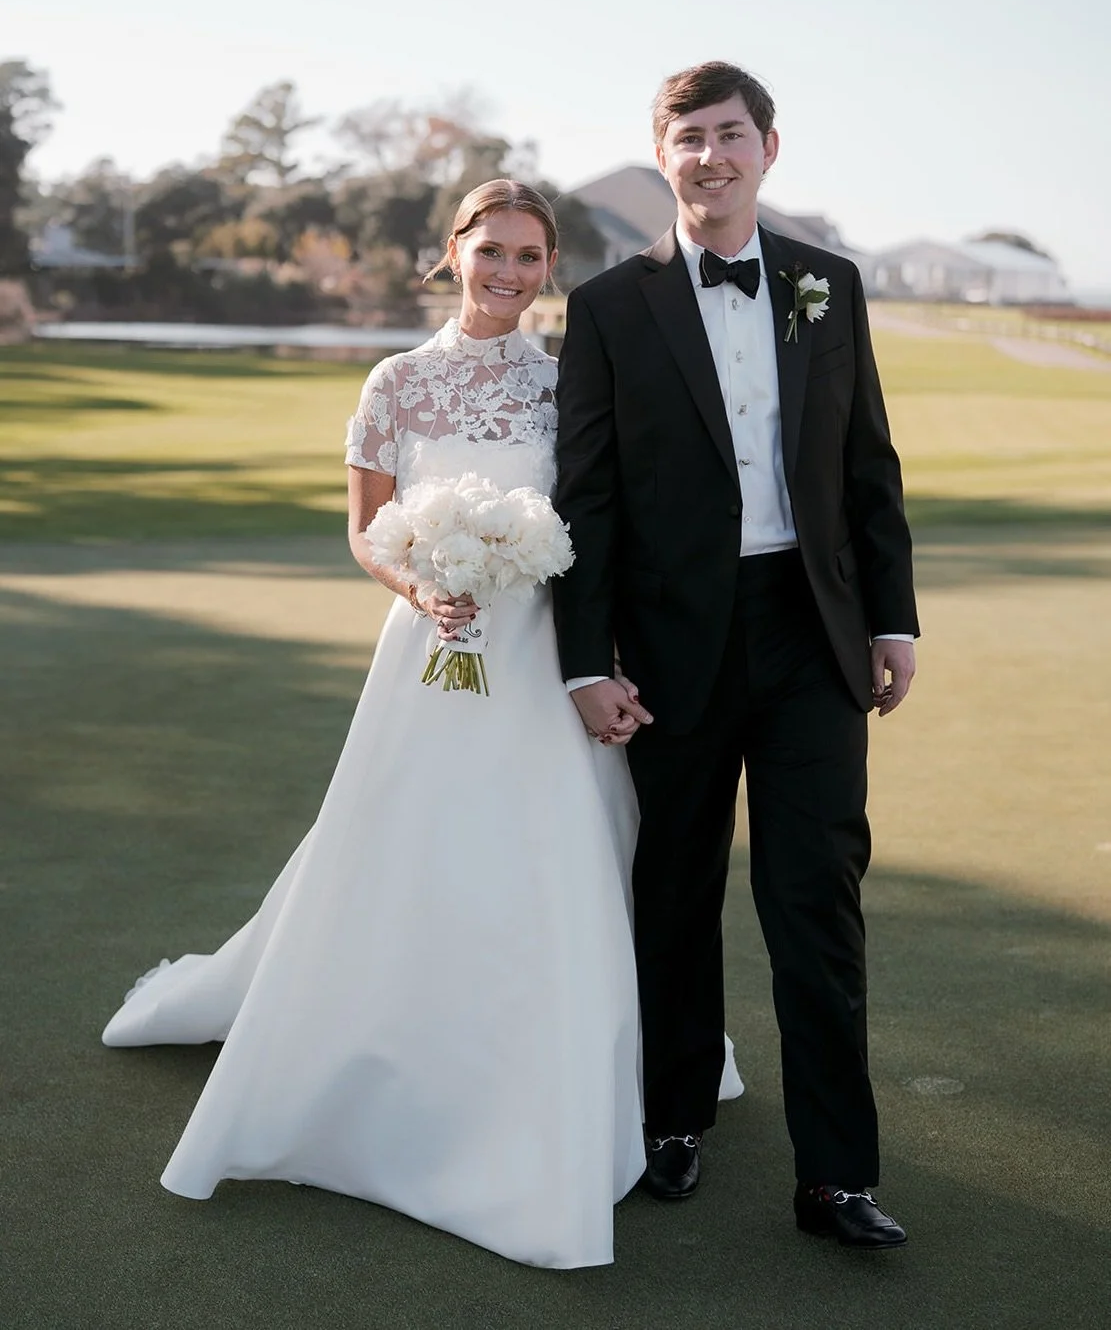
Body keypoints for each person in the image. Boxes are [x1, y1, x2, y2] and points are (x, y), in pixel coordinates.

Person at [102, 179, 741, 1270]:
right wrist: (420, 585)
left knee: (558, 856)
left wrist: (606, 652)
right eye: (490, 250)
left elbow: (611, 532)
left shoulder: (569, 381)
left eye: (530, 256)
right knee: (404, 848)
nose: (508, 272)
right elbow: (364, 532)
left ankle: (568, 1072)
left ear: (550, 270)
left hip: (547, 660)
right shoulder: (396, 382)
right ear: (451, 253)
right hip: (432, 652)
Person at [553, 62, 918, 1250]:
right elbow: (588, 499)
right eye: (686, 138)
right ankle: (672, 1121)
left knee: (816, 897)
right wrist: (584, 661)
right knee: (674, 891)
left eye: (727, 135)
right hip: (670, 649)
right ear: (662, 155)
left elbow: (867, 464)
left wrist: (891, 620)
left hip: (812, 639)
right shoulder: (609, 308)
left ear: (769, 146)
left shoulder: (830, 285)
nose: (708, 156)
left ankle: (835, 1176)